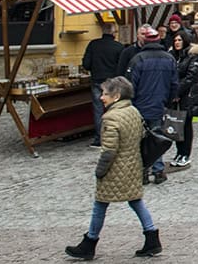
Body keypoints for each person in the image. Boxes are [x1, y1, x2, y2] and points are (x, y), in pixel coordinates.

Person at [65, 77, 161, 260]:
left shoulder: (111, 117)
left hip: (116, 169)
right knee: (135, 200)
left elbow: (109, 151)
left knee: (100, 204)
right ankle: (152, 237)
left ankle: (89, 243)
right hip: (133, 165)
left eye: (105, 94)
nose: (102, 97)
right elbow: (140, 136)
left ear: (116, 96)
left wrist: (99, 171)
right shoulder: (133, 111)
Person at [127, 26, 177, 185]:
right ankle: (158, 170)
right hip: (159, 104)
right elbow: (174, 84)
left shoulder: (138, 59)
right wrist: (168, 101)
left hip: (140, 105)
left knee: (140, 140)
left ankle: (143, 170)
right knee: (157, 138)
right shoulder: (169, 58)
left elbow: (130, 85)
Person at [81, 23, 123, 147]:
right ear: (114, 33)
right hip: (112, 82)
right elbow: (121, 66)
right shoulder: (118, 47)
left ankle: (99, 138)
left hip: (97, 80)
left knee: (98, 110)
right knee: (114, 109)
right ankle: (114, 136)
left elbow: (86, 64)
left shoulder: (93, 44)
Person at [168, 33, 198, 168]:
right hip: (176, 95)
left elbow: (191, 77)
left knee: (186, 125)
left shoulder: (193, 57)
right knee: (177, 124)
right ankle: (179, 152)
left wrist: (177, 91)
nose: (177, 42)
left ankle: (185, 154)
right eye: (175, 40)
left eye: (179, 40)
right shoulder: (173, 56)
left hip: (188, 96)